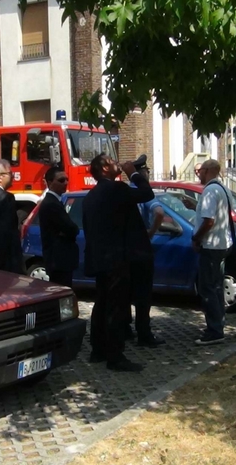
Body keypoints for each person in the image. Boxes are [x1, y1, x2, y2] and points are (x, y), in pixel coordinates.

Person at [83, 153, 154, 372]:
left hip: (99, 259)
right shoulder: (116, 189)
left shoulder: (90, 196)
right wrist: (133, 172)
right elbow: (146, 193)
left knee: (101, 303)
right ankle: (115, 356)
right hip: (117, 259)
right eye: (113, 162)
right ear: (104, 168)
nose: (117, 164)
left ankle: (98, 350)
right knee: (116, 307)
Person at [191, 159, 236, 345]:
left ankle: (214, 330)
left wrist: (196, 238)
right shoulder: (223, 189)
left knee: (207, 288)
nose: (198, 174)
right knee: (216, 286)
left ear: (208, 170)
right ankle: (219, 323)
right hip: (223, 243)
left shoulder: (210, 191)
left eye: (199, 171)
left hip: (211, 245)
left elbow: (208, 221)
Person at [127, 155, 165, 347]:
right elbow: (159, 213)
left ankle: (126, 329)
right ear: (142, 174)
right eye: (147, 171)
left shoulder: (125, 192)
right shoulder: (144, 193)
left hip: (125, 251)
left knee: (125, 293)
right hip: (141, 250)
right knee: (143, 296)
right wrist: (150, 233)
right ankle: (144, 333)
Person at [38, 167, 79, 287]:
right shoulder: (51, 204)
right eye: (61, 180)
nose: (65, 183)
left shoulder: (56, 201)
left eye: (67, 179)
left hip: (60, 260)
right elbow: (71, 228)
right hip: (58, 261)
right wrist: (71, 230)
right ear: (50, 183)